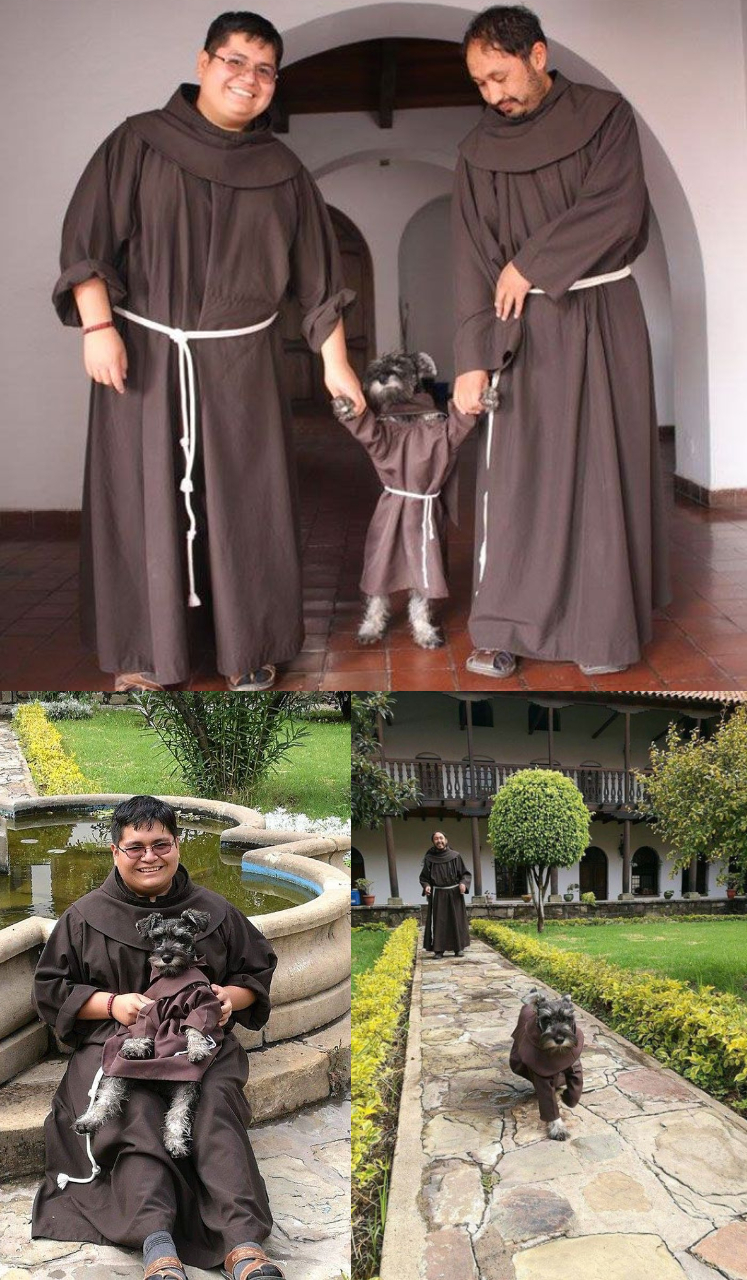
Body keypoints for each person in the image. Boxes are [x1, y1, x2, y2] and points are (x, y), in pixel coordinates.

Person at [53, 11, 365, 693]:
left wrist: (336, 363)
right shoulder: (137, 142)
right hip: (143, 355)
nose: (247, 79)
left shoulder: (282, 171)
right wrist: (98, 327)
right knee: (139, 500)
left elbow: (318, 282)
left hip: (240, 368)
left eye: (264, 69)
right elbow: (87, 243)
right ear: (203, 63)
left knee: (247, 504)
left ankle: (247, 645)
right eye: (234, 61)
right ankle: (144, 650)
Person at [452, 5, 669, 679]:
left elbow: (617, 207)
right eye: (480, 84)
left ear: (537, 56)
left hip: (603, 316)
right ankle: (506, 625)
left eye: (499, 76)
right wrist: (470, 358)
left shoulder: (605, 117)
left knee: (604, 474)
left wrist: (530, 264)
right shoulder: (476, 152)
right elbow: (470, 258)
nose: (493, 95)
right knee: (519, 481)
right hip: (524, 333)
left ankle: (601, 630)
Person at [31, 795, 283, 1280]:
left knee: (212, 1105)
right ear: (115, 851)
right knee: (137, 1112)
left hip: (197, 1043)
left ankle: (243, 1244)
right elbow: (51, 989)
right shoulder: (85, 917)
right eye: (136, 846)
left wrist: (229, 999)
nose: (150, 856)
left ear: (178, 844)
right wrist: (111, 1004)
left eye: (161, 844)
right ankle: (156, 1244)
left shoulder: (213, 910)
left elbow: (256, 971)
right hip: (116, 1043)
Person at [419, 831, 471, 957]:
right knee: (439, 922)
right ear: (433, 841)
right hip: (438, 894)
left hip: (454, 893)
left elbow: (464, 874)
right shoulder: (429, 858)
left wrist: (463, 883)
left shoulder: (455, 856)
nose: (439, 841)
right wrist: (426, 886)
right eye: (436, 839)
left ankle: (458, 948)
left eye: (441, 838)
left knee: (456, 920)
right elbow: (424, 877)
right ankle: (439, 950)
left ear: (446, 840)